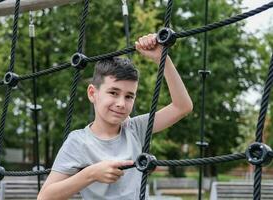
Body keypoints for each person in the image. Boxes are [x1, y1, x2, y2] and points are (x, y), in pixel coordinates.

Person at [37, 33, 193, 200]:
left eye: (129, 96)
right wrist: (90, 174)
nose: (121, 103)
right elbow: (45, 197)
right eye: (113, 92)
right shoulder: (78, 142)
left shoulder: (134, 128)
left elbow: (182, 107)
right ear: (92, 93)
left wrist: (163, 59)